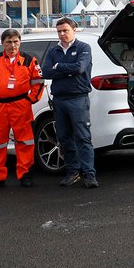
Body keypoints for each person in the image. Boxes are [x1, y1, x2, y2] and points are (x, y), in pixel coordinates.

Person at [0, 29, 45, 190]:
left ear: (20, 42)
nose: (12, 45)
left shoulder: (29, 60)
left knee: (24, 142)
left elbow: (38, 81)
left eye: (16, 41)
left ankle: (25, 175)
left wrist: (30, 100)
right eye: (8, 42)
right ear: (2, 43)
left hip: (20, 106)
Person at [41, 17, 97, 188]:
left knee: (83, 137)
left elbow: (80, 68)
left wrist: (58, 67)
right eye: (59, 31)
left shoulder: (83, 48)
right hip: (59, 100)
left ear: (74, 30)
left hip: (78, 99)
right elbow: (45, 72)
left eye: (65, 30)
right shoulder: (53, 51)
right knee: (64, 138)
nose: (62, 34)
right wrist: (66, 69)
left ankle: (89, 174)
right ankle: (73, 172)